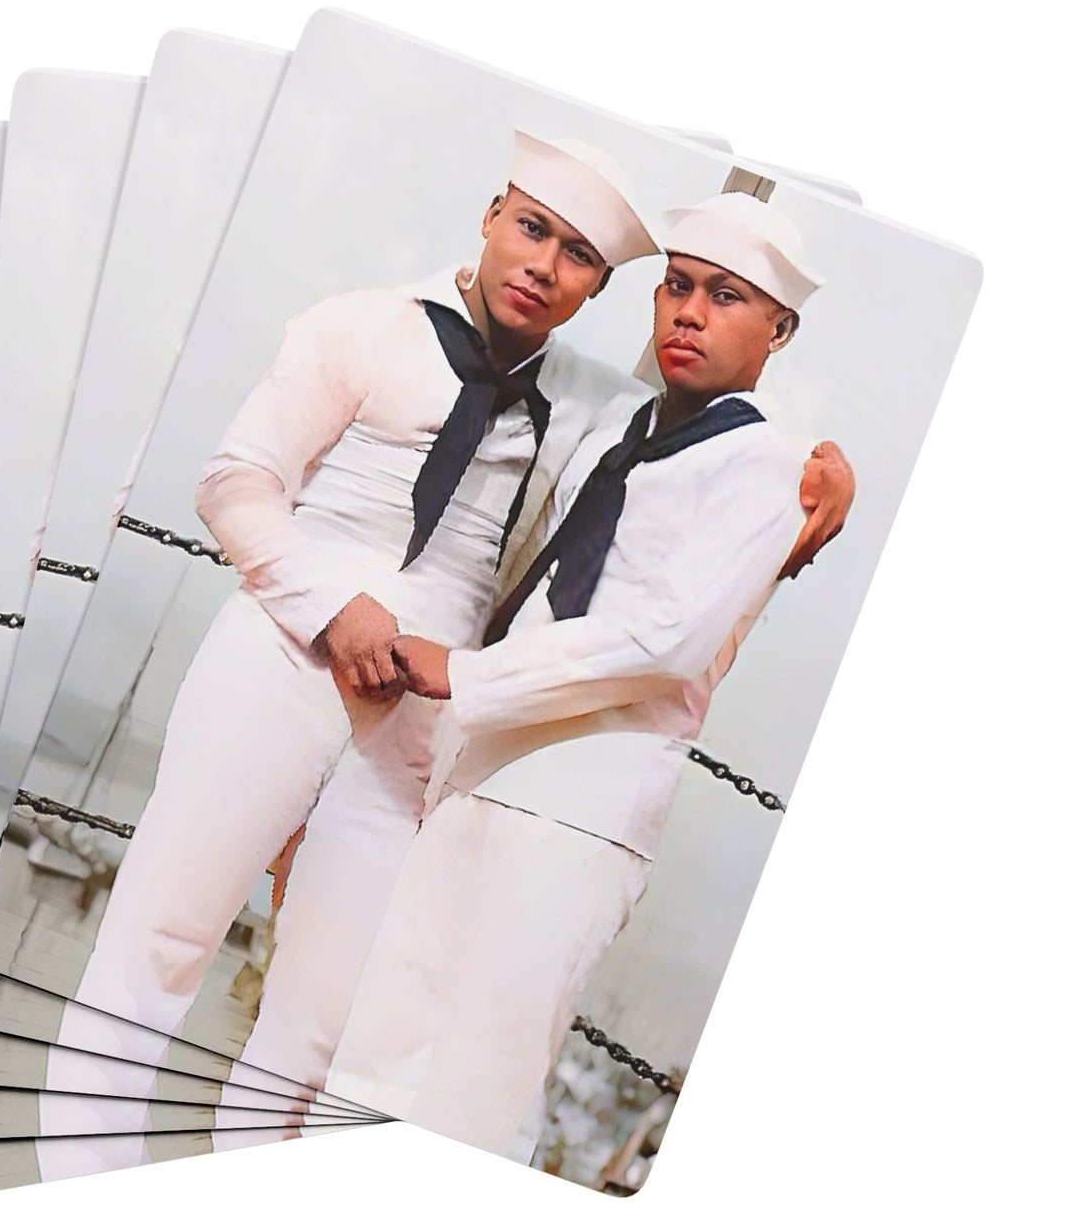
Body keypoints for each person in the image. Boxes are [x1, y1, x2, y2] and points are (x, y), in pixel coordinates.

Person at [58, 136, 849, 1072]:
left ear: (597, 288)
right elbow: (236, 482)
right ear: (492, 214)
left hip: (420, 722)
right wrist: (332, 607)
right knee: (160, 938)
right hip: (281, 654)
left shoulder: (588, 401)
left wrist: (827, 471)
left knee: (321, 1022)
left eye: (578, 257)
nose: (542, 266)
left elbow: (694, 436)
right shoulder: (359, 323)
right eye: (530, 229)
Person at [319, 193, 831, 1161]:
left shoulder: (762, 468)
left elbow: (659, 641)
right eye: (675, 286)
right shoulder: (615, 435)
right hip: (479, 772)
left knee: (470, 1087)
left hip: (580, 805)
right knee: (373, 1052)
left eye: (725, 297)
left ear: (777, 328)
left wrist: (465, 675)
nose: (687, 312)